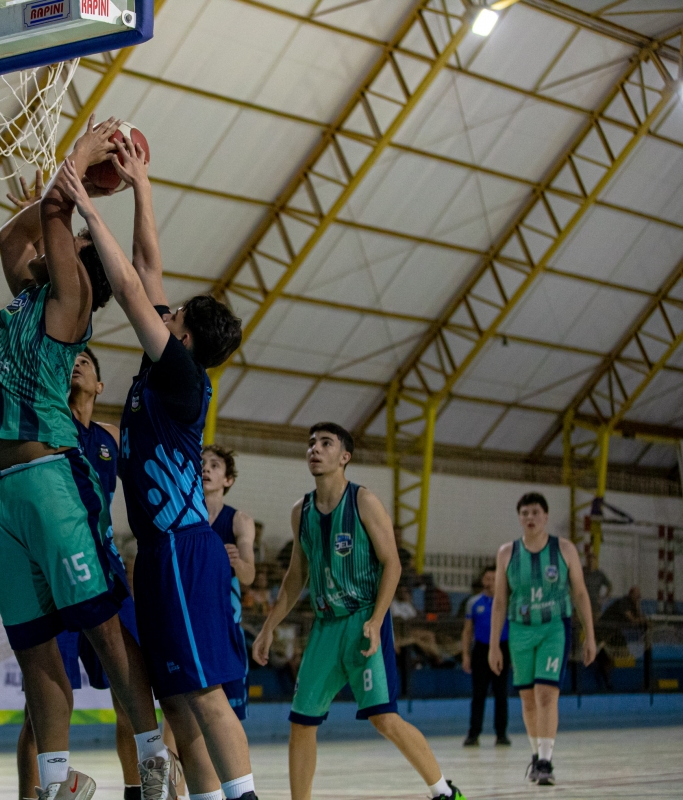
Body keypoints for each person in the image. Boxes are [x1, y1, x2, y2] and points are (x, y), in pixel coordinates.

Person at [0, 116, 170, 800]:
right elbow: (13, 237)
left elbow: (55, 216)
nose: (42, 249)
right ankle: (59, 782)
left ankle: (154, 754)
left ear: (77, 263)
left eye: (63, 247)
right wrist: (52, 193)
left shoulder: (74, 299)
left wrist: (81, 164)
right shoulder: (28, 300)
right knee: (34, 648)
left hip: (51, 481)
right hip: (0, 491)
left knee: (106, 631)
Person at [57, 143, 258, 800]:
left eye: (174, 317)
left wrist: (88, 206)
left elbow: (129, 286)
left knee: (205, 697)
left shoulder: (180, 375)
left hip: (183, 551)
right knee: (176, 706)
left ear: (186, 338)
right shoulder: (165, 367)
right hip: (157, 554)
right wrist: (141, 185)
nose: (162, 312)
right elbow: (148, 267)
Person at [252, 423, 465, 800]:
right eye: (311, 443)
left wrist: (377, 619)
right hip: (324, 626)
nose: (315, 449)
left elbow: (392, 563)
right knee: (302, 723)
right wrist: (269, 627)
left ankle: (443, 792)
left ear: (344, 457)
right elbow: (296, 576)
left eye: (326, 443)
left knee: (384, 718)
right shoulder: (301, 511)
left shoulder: (363, 501)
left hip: (363, 619)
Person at [16, 346, 145, 800]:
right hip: (55, 573)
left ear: (100, 386)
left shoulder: (112, 437)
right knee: (43, 709)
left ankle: (136, 790)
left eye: (86, 363)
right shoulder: (46, 426)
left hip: (106, 570)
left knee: (131, 695)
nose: (77, 364)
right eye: (72, 361)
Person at [489, 492, 596, 787]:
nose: (530, 517)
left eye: (535, 512)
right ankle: (536, 756)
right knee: (527, 698)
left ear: (546, 516)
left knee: (547, 694)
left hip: (554, 628)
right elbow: (500, 602)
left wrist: (590, 635)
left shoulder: (564, 549)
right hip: (520, 630)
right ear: (519, 518)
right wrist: (494, 645)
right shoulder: (506, 553)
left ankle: (546, 760)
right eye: (525, 513)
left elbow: (580, 593)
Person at [202, 444, 255, 721]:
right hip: (191, 624)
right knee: (180, 709)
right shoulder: (182, 516)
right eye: (202, 464)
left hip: (225, 627)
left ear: (228, 480)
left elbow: (249, 576)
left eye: (214, 465)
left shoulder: (239, 520)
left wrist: (236, 561)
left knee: (230, 716)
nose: (205, 469)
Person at [461, 566, 509, 746]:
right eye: (487, 579)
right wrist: (466, 655)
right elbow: (467, 630)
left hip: (503, 649)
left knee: (501, 693)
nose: (489, 583)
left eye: (493, 579)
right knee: (478, 694)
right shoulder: (474, 602)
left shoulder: (506, 602)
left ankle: (501, 734)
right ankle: (473, 734)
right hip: (481, 650)